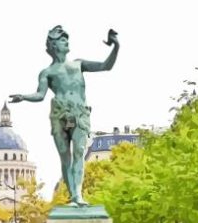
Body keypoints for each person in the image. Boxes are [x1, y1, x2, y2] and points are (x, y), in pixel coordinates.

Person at [10, 26, 119, 206]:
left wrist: (116, 46)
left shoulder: (79, 64)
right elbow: (40, 95)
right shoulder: (47, 72)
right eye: (62, 39)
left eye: (66, 39)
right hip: (60, 114)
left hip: (79, 113)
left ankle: (77, 195)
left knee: (78, 152)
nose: (66, 42)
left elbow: (105, 66)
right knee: (65, 156)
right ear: (53, 45)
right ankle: (73, 196)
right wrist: (23, 97)